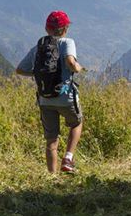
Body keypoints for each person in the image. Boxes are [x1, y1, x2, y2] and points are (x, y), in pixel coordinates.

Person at [16, 11, 84, 174]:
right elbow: (70, 62)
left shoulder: (39, 47)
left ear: (47, 28)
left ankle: (52, 177)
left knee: (51, 140)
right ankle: (68, 158)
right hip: (66, 97)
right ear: (65, 28)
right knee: (76, 123)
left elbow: (20, 69)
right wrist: (78, 67)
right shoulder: (68, 42)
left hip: (45, 99)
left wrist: (38, 73)